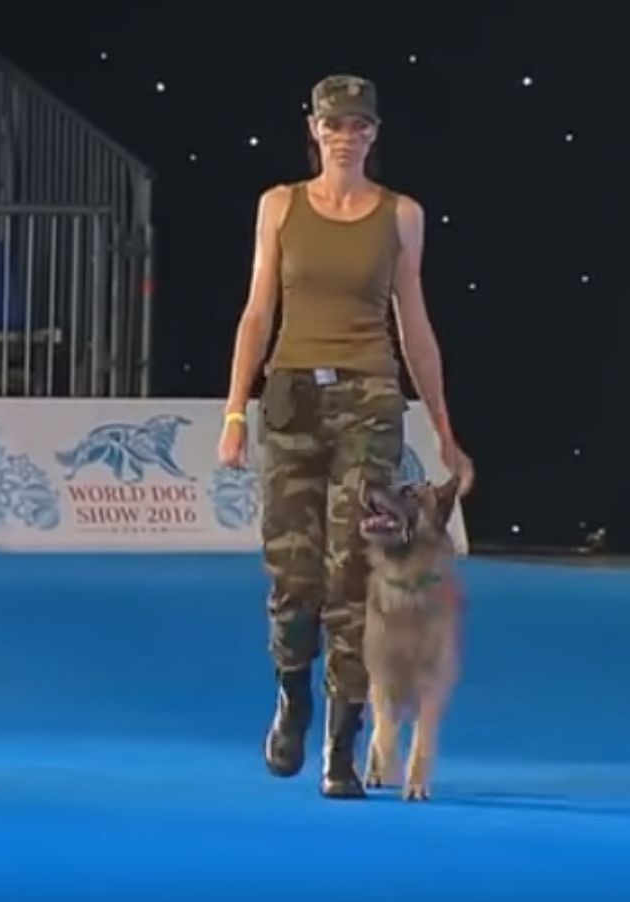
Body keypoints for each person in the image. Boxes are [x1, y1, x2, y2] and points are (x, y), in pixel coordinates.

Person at [217, 73, 474, 799]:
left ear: (374, 133)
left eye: (359, 124)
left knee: (355, 579)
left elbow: (414, 324)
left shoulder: (401, 216)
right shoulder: (279, 206)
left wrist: (444, 425)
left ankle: (343, 743)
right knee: (293, 580)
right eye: (334, 124)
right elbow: (256, 313)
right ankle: (293, 700)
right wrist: (237, 410)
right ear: (313, 128)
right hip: (292, 397)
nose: (346, 135)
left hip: (369, 400)